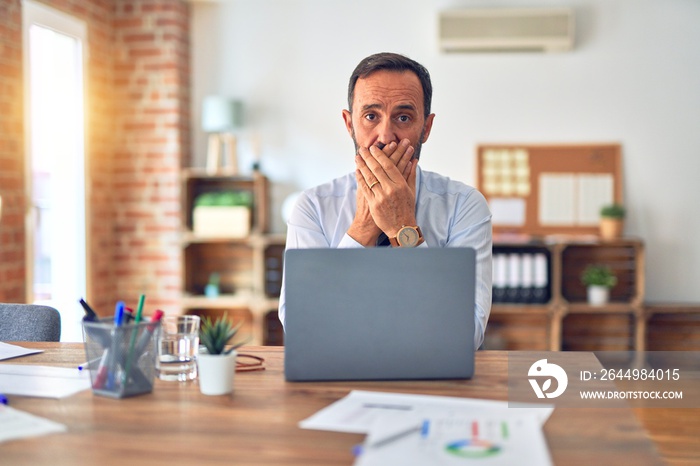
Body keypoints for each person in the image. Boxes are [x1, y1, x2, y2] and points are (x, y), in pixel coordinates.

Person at [278, 52, 492, 349]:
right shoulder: (313, 206)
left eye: (403, 117)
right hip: (336, 378)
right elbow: (303, 328)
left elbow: (464, 335)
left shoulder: (464, 206)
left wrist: (403, 227)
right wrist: (363, 227)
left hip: (433, 380)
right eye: (370, 116)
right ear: (349, 124)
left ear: (426, 128)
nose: (385, 136)